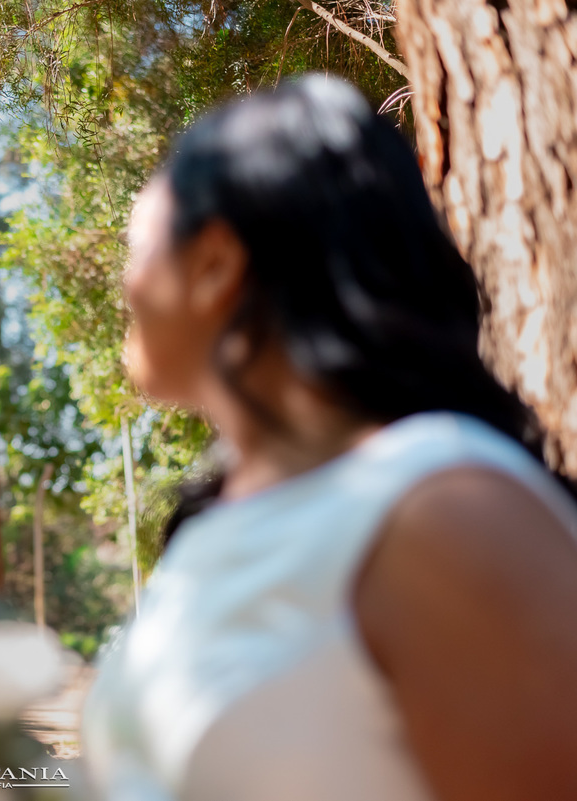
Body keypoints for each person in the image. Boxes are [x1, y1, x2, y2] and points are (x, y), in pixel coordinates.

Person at [80, 75, 577, 801]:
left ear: (216, 264)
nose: (124, 283)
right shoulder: (219, 518)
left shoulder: (447, 511)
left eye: (136, 248)